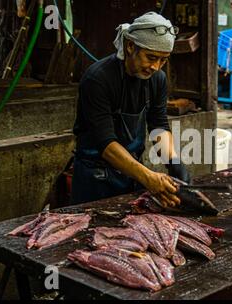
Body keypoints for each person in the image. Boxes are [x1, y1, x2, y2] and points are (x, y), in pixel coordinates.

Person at [72, 12, 189, 208]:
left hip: (131, 173)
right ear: (130, 46)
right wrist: (148, 176)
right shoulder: (98, 79)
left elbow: (158, 125)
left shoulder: (157, 79)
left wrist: (174, 162)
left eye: (163, 60)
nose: (155, 66)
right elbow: (106, 144)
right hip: (95, 177)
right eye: (150, 57)